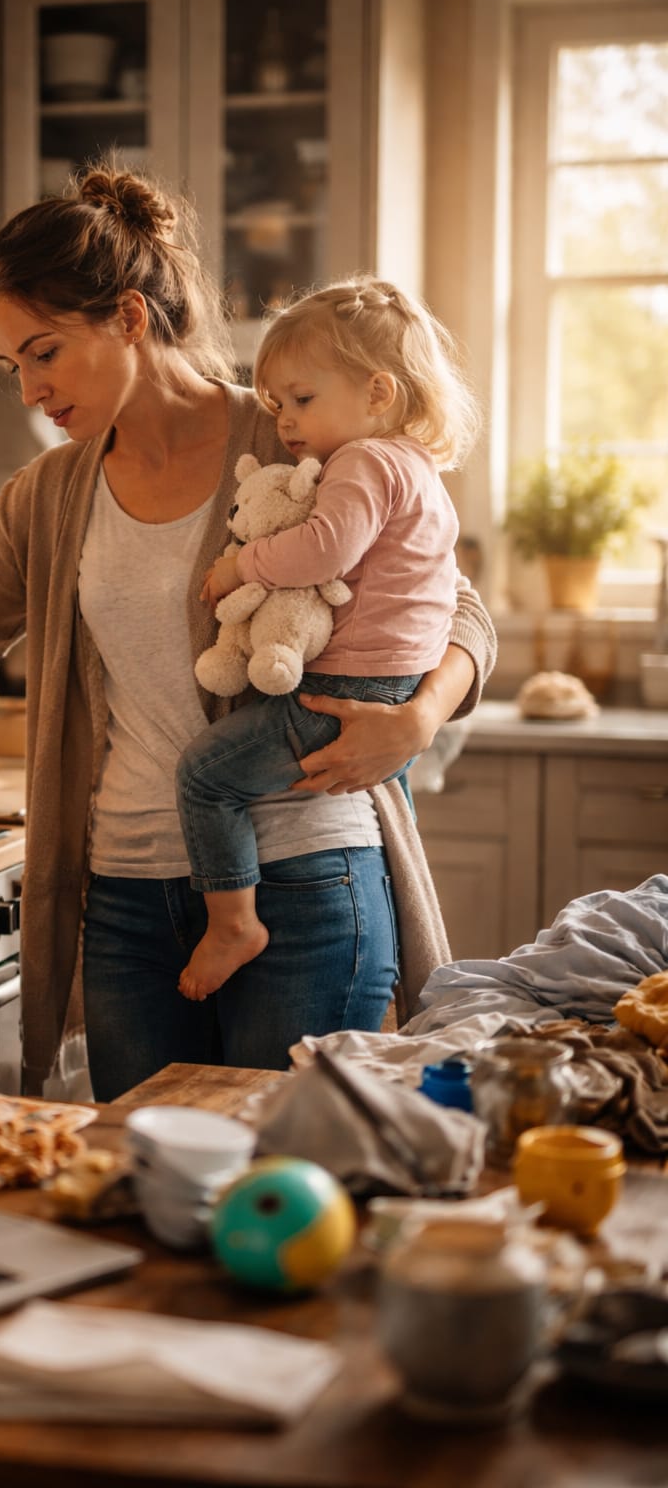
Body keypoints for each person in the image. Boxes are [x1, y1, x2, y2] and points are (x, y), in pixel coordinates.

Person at [0, 161, 496, 1103]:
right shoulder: (50, 493)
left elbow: (451, 600)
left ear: (130, 318)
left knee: (282, 1193)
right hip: (126, 894)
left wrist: (420, 719)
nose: (29, 391)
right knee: (147, 1189)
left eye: (44, 352)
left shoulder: (292, 435)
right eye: (13, 367)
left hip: (304, 876)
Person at [175, 276, 478, 1004]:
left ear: (378, 393)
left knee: (205, 777)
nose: (284, 423)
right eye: (276, 404)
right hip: (390, 686)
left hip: (343, 690)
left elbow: (323, 552)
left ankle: (233, 923)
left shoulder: (363, 461)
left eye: (303, 400)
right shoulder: (418, 468)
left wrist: (239, 564)